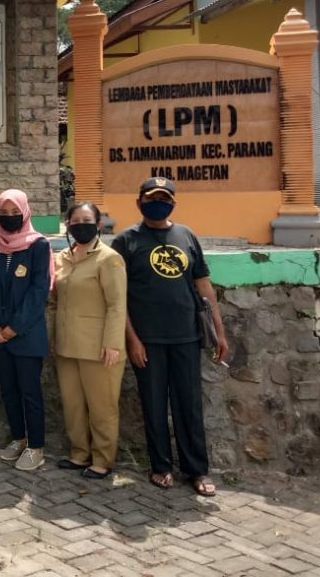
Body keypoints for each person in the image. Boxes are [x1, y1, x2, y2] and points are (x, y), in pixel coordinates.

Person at [111, 177, 229, 497]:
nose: (157, 203)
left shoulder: (186, 235)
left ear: (173, 203)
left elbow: (203, 286)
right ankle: (160, 466)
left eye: (164, 198)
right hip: (147, 340)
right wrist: (132, 340)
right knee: (153, 404)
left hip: (186, 336)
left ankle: (196, 470)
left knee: (188, 405)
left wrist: (219, 330)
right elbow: (117, 296)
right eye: (151, 198)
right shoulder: (125, 241)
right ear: (138, 202)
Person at [49, 201, 127, 479]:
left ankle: (102, 460)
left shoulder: (109, 258)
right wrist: (52, 336)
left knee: (102, 407)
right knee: (73, 405)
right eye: (74, 220)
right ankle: (79, 453)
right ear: (68, 225)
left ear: (98, 225)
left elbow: (117, 305)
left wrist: (113, 344)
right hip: (67, 345)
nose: (80, 225)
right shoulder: (62, 258)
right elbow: (54, 302)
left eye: (86, 220)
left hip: (99, 347)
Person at [0, 188, 52, 471]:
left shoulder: (39, 245)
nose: (10, 218)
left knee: (30, 392)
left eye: (15, 213)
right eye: (5, 213)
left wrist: (13, 327)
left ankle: (36, 447)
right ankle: (19, 438)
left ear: (25, 213)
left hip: (26, 334)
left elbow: (39, 291)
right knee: (8, 390)